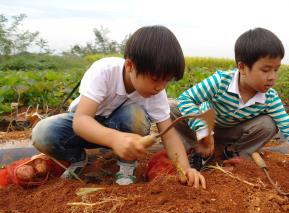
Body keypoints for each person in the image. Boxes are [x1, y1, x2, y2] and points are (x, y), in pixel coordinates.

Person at [31, 25, 206, 188]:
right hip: (86, 127)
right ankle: (77, 159)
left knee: (133, 115)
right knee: (43, 133)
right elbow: (81, 121)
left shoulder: (156, 93)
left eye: (166, 80)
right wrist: (115, 139)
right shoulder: (104, 71)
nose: (160, 87)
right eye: (155, 78)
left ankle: (126, 164)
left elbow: (169, 136)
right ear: (130, 65)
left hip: (120, 128)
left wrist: (185, 168)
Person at [170, 27, 289, 182]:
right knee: (173, 109)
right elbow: (186, 99)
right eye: (266, 70)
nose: (272, 77)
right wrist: (204, 130)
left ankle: (233, 155)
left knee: (269, 123)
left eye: (276, 69)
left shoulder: (270, 97)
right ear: (243, 67)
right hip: (206, 129)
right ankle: (197, 152)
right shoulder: (221, 81)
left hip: (232, 134)